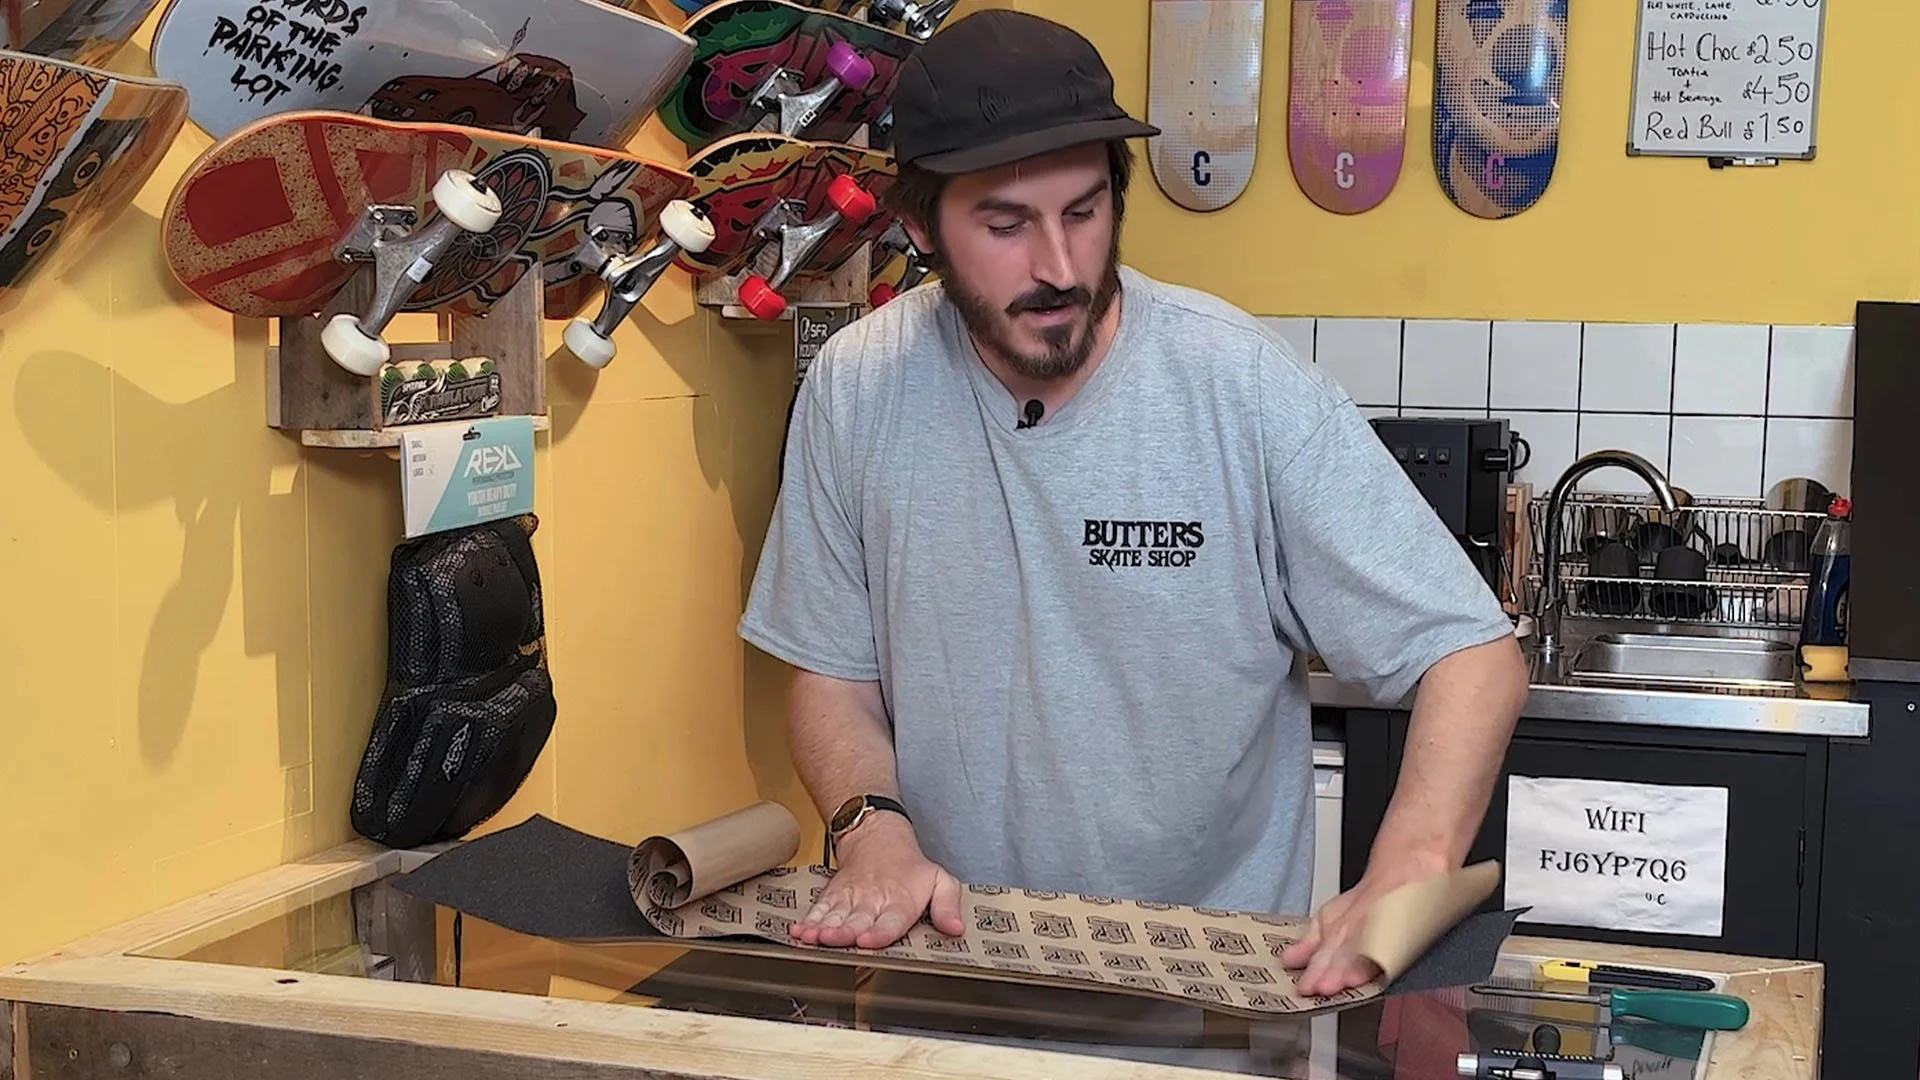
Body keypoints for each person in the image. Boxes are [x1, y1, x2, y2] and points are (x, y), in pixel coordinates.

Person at [736, 9, 1529, 998]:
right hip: (941, 974)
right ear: (921, 226)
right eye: (1006, 226)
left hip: (1210, 1002)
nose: (1060, 268)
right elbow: (832, 673)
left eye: (1084, 212)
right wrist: (872, 832)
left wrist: (1412, 861)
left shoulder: (1242, 385)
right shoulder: (856, 387)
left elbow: (1471, 654)